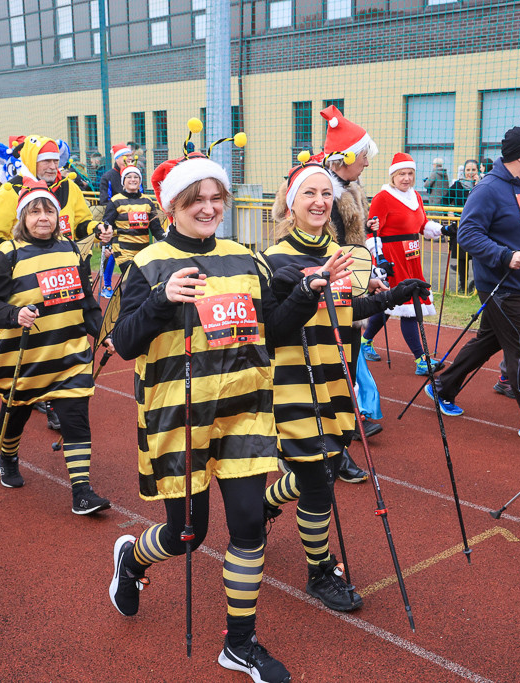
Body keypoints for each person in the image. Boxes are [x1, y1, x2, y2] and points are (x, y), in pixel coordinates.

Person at [109, 142, 349, 683]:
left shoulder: (248, 258)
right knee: (188, 533)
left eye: (218, 198)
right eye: (197, 199)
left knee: (247, 528)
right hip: (178, 416)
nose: (210, 208)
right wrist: (162, 299)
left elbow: (276, 330)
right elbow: (124, 344)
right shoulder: (147, 264)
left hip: (244, 413)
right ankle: (133, 559)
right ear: (172, 206)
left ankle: (239, 645)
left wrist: (309, 291)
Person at [261, 153, 429, 613]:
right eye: (309, 194)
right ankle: (320, 570)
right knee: (318, 482)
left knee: (327, 467)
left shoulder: (342, 255)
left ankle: (262, 503)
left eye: (325, 194)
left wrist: (392, 297)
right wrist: (302, 291)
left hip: (335, 379)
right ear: (290, 204)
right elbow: (271, 330)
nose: (319, 201)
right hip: (293, 383)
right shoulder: (272, 258)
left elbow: (346, 313)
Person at [0, 179, 112, 515]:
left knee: (76, 419)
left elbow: (86, 301)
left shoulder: (71, 250)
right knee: (15, 416)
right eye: (34, 211)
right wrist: (13, 313)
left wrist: (103, 332)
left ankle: (82, 491)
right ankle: (7, 456)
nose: (42, 217)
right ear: (22, 218)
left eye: (48, 210)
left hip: (69, 355)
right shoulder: (6, 254)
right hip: (23, 358)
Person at [429, 126, 520, 445]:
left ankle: (443, 386)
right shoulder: (488, 188)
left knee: (488, 341)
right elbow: (469, 233)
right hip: (502, 286)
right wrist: (505, 255)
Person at [314, 105, 381, 479]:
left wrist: (364, 277)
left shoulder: (351, 190)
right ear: (346, 157)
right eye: (364, 157)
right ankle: (327, 451)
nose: (367, 165)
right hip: (324, 299)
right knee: (328, 374)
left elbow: (352, 248)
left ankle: (336, 449)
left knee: (345, 374)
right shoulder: (320, 193)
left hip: (347, 298)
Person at [361, 153, 443, 375]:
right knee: (408, 304)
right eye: (401, 174)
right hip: (392, 258)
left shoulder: (416, 196)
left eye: (410, 174)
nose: (406, 178)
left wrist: (444, 230)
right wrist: (380, 260)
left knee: (389, 304)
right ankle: (421, 359)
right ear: (393, 176)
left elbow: (423, 225)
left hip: (411, 257)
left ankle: (364, 341)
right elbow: (371, 233)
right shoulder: (382, 198)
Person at [0, 135, 113, 259]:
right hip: (27, 272)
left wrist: (97, 229)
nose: (53, 167)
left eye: (56, 161)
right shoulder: (11, 190)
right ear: (32, 161)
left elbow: (81, 224)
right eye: (46, 161)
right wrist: (4, 269)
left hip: (67, 269)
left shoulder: (69, 187)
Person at [101, 164, 164, 297]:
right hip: (123, 250)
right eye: (129, 177)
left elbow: (156, 228)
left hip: (143, 250)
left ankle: (133, 308)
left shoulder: (147, 201)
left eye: (136, 177)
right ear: (123, 181)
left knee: (144, 283)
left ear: (140, 181)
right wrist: (106, 244)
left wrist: (167, 241)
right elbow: (107, 223)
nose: (133, 179)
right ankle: (124, 309)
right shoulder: (116, 201)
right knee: (132, 280)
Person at [443, 159, 479, 294]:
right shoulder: (458, 185)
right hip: (461, 227)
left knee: (477, 259)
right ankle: (462, 286)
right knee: (462, 260)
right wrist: (449, 211)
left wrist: (478, 183)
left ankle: (477, 287)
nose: (470, 173)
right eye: (468, 170)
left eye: (473, 170)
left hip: (477, 228)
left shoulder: (481, 185)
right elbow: (445, 200)